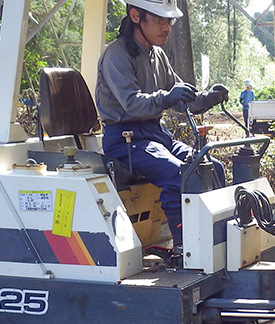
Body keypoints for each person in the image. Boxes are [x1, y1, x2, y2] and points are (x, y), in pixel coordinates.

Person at [95, 0, 228, 248]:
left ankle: (216, 243)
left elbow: (181, 99)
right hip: (125, 140)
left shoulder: (157, 54)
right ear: (135, 16)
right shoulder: (116, 55)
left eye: (169, 21)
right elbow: (133, 104)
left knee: (213, 167)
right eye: (159, 20)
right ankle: (185, 250)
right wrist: (167, 97)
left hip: (155, 134)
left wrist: (207, 98)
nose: (166, 28)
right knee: (181, 175)